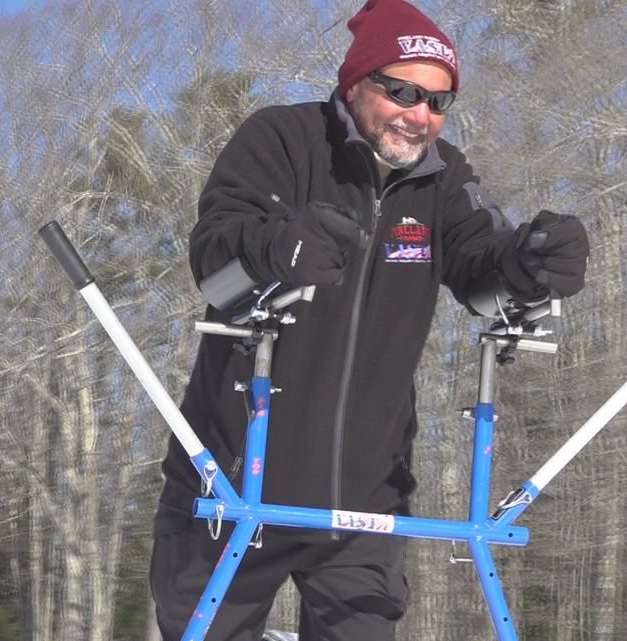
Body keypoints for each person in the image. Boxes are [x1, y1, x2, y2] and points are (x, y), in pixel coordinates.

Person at [148, 1, 590, 639]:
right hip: (231, 490)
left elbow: (484, 269)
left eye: (439, 103)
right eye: (405, 91)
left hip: (363, 505)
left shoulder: (443, 181)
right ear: (355, 82)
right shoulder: (282, 140)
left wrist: (533, 265)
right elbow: (214, 261)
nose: (421, 115)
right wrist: (279, 247)